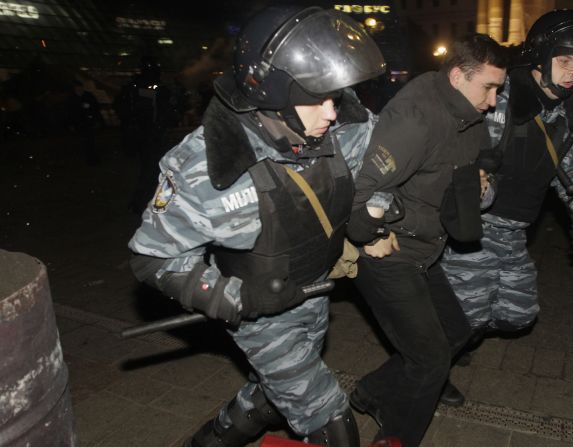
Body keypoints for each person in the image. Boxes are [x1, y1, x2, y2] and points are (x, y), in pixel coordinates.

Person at [127, 5, 387, 447]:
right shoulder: (205, 167)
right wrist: (236, 296)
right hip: (258, 316)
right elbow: (153, 259)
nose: (332, 111)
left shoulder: (341, 126)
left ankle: (213, 438)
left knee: (275, 396)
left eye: (335, 95)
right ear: (274, 95)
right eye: (317, 99)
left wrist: (378, 206)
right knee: (330, 422)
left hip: (314, 291)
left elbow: (390, 160)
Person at [344, 34, 508, 447]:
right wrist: (373, 234)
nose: (493, 101)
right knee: (430, 359)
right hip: (389, 252)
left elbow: (479, 161)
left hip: (424, 249)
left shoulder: (467, 114)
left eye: (498, 90)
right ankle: (395, 437)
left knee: (456, 331)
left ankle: (372, 393)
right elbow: (360, 194)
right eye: (488, 88)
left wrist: (480, 183)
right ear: (457, 77)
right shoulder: (416, 118)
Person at [440, 9, 573, 398]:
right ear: (541, 57)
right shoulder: (499, 99)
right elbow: (449, 146)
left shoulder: (567, 114)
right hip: (474, 230)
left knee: (518, 315)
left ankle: (453, 336)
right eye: (564, 61)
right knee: (468, 313)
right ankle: (423, 370)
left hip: (515, 231)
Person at [115, 55, 179, 214]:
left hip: (144, 135)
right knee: (152, 171)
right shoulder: (149, 88)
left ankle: (142, 202)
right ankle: (143, 203)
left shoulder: (135, 87)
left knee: (150, 170)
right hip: (150, 135)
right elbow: (165, 111)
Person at [66, 80, 102, 165]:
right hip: (79, 123)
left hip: (89, 122)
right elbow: (69, 112)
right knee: (84, 141)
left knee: (91, 140)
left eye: (80, 87)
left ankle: (93, 158)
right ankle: (89, 158)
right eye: (77, 88)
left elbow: (96, 108)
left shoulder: (88, 96)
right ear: (74, 89)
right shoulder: (71, 98)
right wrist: (70, 124)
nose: (79, 89)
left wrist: (97, 119)